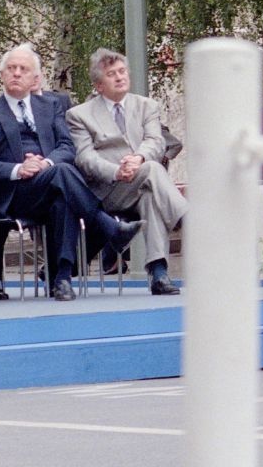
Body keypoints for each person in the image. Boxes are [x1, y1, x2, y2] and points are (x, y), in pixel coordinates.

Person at [0, 44, 144, 302]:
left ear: (34, 77)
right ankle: (107, 227)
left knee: (63, 196)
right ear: (1, 75)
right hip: (10, 193)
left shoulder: (50, 107)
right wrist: (19, 169)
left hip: (49, 182)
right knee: (64, 178)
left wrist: (45, 164)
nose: (16, 73)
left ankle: (60, 278)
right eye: (11, 69)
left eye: (23, 69)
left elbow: (66, 147)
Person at [65, 49, 186, 295]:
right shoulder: (79, 115)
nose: (120, 77)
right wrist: (117, 171)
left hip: (141, 179)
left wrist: (138, 158)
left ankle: (159, 273)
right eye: (112, 74)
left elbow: (155, 141)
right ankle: (188, 220)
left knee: (151, 193)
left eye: (122, 71)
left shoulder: (147, 106)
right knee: (153, 171)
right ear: (99, 85)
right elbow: (85, 158)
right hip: (106, 190)